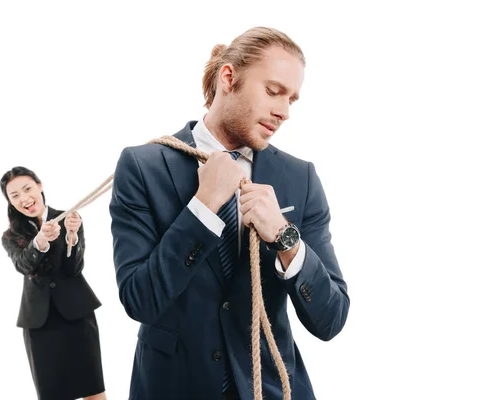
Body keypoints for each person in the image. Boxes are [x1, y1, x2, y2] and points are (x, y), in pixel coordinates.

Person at [109, 27, 350, 400]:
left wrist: (285, 237)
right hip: (173, 387)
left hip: (270, 388)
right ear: (228, 77)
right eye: (273, 91)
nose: (283, 112)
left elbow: (330, 319)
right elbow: (140, 299)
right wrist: (203, 206)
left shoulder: (300, 178)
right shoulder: (143, 166)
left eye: (292, 99)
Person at [0, 166, 107, 400]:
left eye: (27, 189)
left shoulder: (69, 217)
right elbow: (24, 266)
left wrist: (72, 237)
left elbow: (74, 269)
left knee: (94, 393)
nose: (24, 199)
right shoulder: (11, 235)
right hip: (39, 323)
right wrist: (38, 242)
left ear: (40, 186)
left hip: (77, 315)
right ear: (9, 201)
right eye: (15, 195)